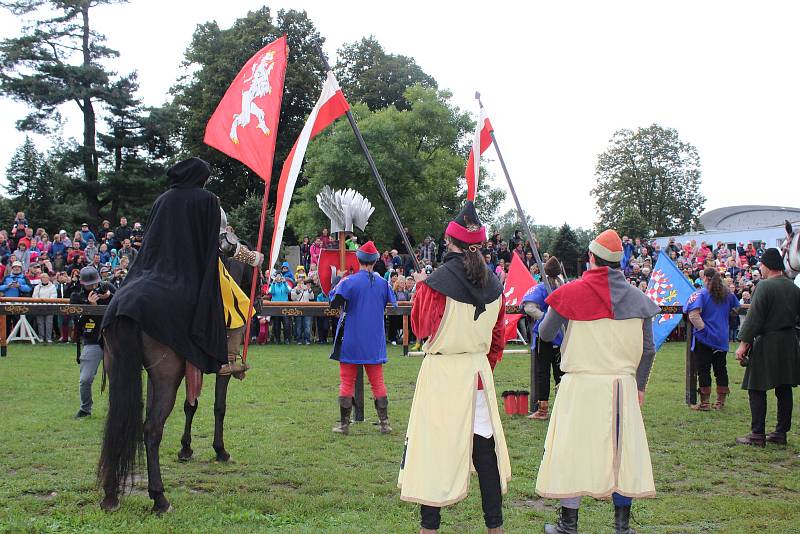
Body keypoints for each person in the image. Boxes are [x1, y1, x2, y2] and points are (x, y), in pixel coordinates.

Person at [536, 229, 660, 534]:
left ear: (591, 258)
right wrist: (640, 386)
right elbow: (647, 349)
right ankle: (621, 526)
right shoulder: (639, 300)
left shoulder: (570, 293)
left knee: (572, 450)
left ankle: (569, 524)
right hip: (622, 386)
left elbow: (545, 333)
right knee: (621, 453)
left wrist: (564, 311)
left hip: (580, 387)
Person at [398, 201, 509, 534]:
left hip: (443, 376)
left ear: (449, 242)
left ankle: (429, 528)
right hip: (476, 375)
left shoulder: (436, 282)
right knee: (485, 452)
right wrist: (480, 366)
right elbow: (498, 339)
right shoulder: (495, 285)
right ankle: (495, 527)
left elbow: (420, 328)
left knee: (434, 450)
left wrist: (422, 287)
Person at [101, 157, 263, 383]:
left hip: (153, 269)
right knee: (240, 306)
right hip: (192, 268)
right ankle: (228, 359)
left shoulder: (162, 200)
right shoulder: (207, 200)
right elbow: (223, 243)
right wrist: (252, 257)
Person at [329, 241, 397, 435]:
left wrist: (337, 282)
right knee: (378, 381)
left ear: (357, 259)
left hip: (352, 339)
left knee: (346, 381)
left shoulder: (348, 282)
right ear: (375, 261)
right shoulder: (383, 283)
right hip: (374, 341)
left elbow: (334, 302)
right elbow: (393, 303)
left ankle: (344, 425)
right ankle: (384, 423)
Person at [734, 248, 800, 447]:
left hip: (767, 342)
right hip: (789, 341)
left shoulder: (764, 287)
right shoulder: (794, 288)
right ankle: (781, 433)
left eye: (761, 265)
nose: (760, 269)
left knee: (755, 387)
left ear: (768, 266)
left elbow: (754, 319)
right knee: (784, 387)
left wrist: (743, 345)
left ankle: (757, 434)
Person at [684, 268, 741, 410]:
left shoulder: (700, 294)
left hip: (704, 338)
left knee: (704, 369)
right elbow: (736, 309)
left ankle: (705, 403)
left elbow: (693, 315)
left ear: (705, 279)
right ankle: (720, 402)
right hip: (721, 337)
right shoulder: (727, 294)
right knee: (721, 369)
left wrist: (703, 329)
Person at [523, 256, 565, 420]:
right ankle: (557, 409)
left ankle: (543, 410)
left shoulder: (543, 287)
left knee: (546, 372)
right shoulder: (561, 287)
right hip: (559, 335)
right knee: (559, 372)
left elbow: (529, 307)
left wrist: (547, 320)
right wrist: (550, 319)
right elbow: (530, 308)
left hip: (547, 335)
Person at [73, 267, 115, 418]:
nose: (92, 287)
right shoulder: (76, 296)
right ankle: (85, 408)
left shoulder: (108, 288)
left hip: (113, 338)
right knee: (85, 379)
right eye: (89, 284)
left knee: (117, 377)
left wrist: (111, 297)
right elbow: (78, 324)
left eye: (94, 283)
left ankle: (116, 408)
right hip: (92, 339)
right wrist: (91, 308)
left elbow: (122, 305)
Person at [32, 272, 56, 342]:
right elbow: (34, 296)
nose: (44, 279)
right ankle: (41, 337)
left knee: (49, 323)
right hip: (39, 307)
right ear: (41, 279)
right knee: (40, 323)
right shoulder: (37, 287)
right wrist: (40, 303)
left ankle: (48, 338)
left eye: (46, 277)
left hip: (49, 307)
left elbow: (53, 296)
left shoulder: (53, 286)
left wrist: (47, 302)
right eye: (43, 278)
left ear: (48, 278)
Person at [290, 275, 313, 345]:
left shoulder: (307, 288)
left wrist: (309, 290)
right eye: (300, 278)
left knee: (307, 325)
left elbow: (312, 297)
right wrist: (298, 291)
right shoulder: (294, 289)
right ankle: (298, 340)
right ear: (297, 280)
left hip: (307, 309)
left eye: (303, 278)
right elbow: (292, 298)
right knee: (298, 325)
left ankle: (307, 340)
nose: (301, 280)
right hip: (298, 309)